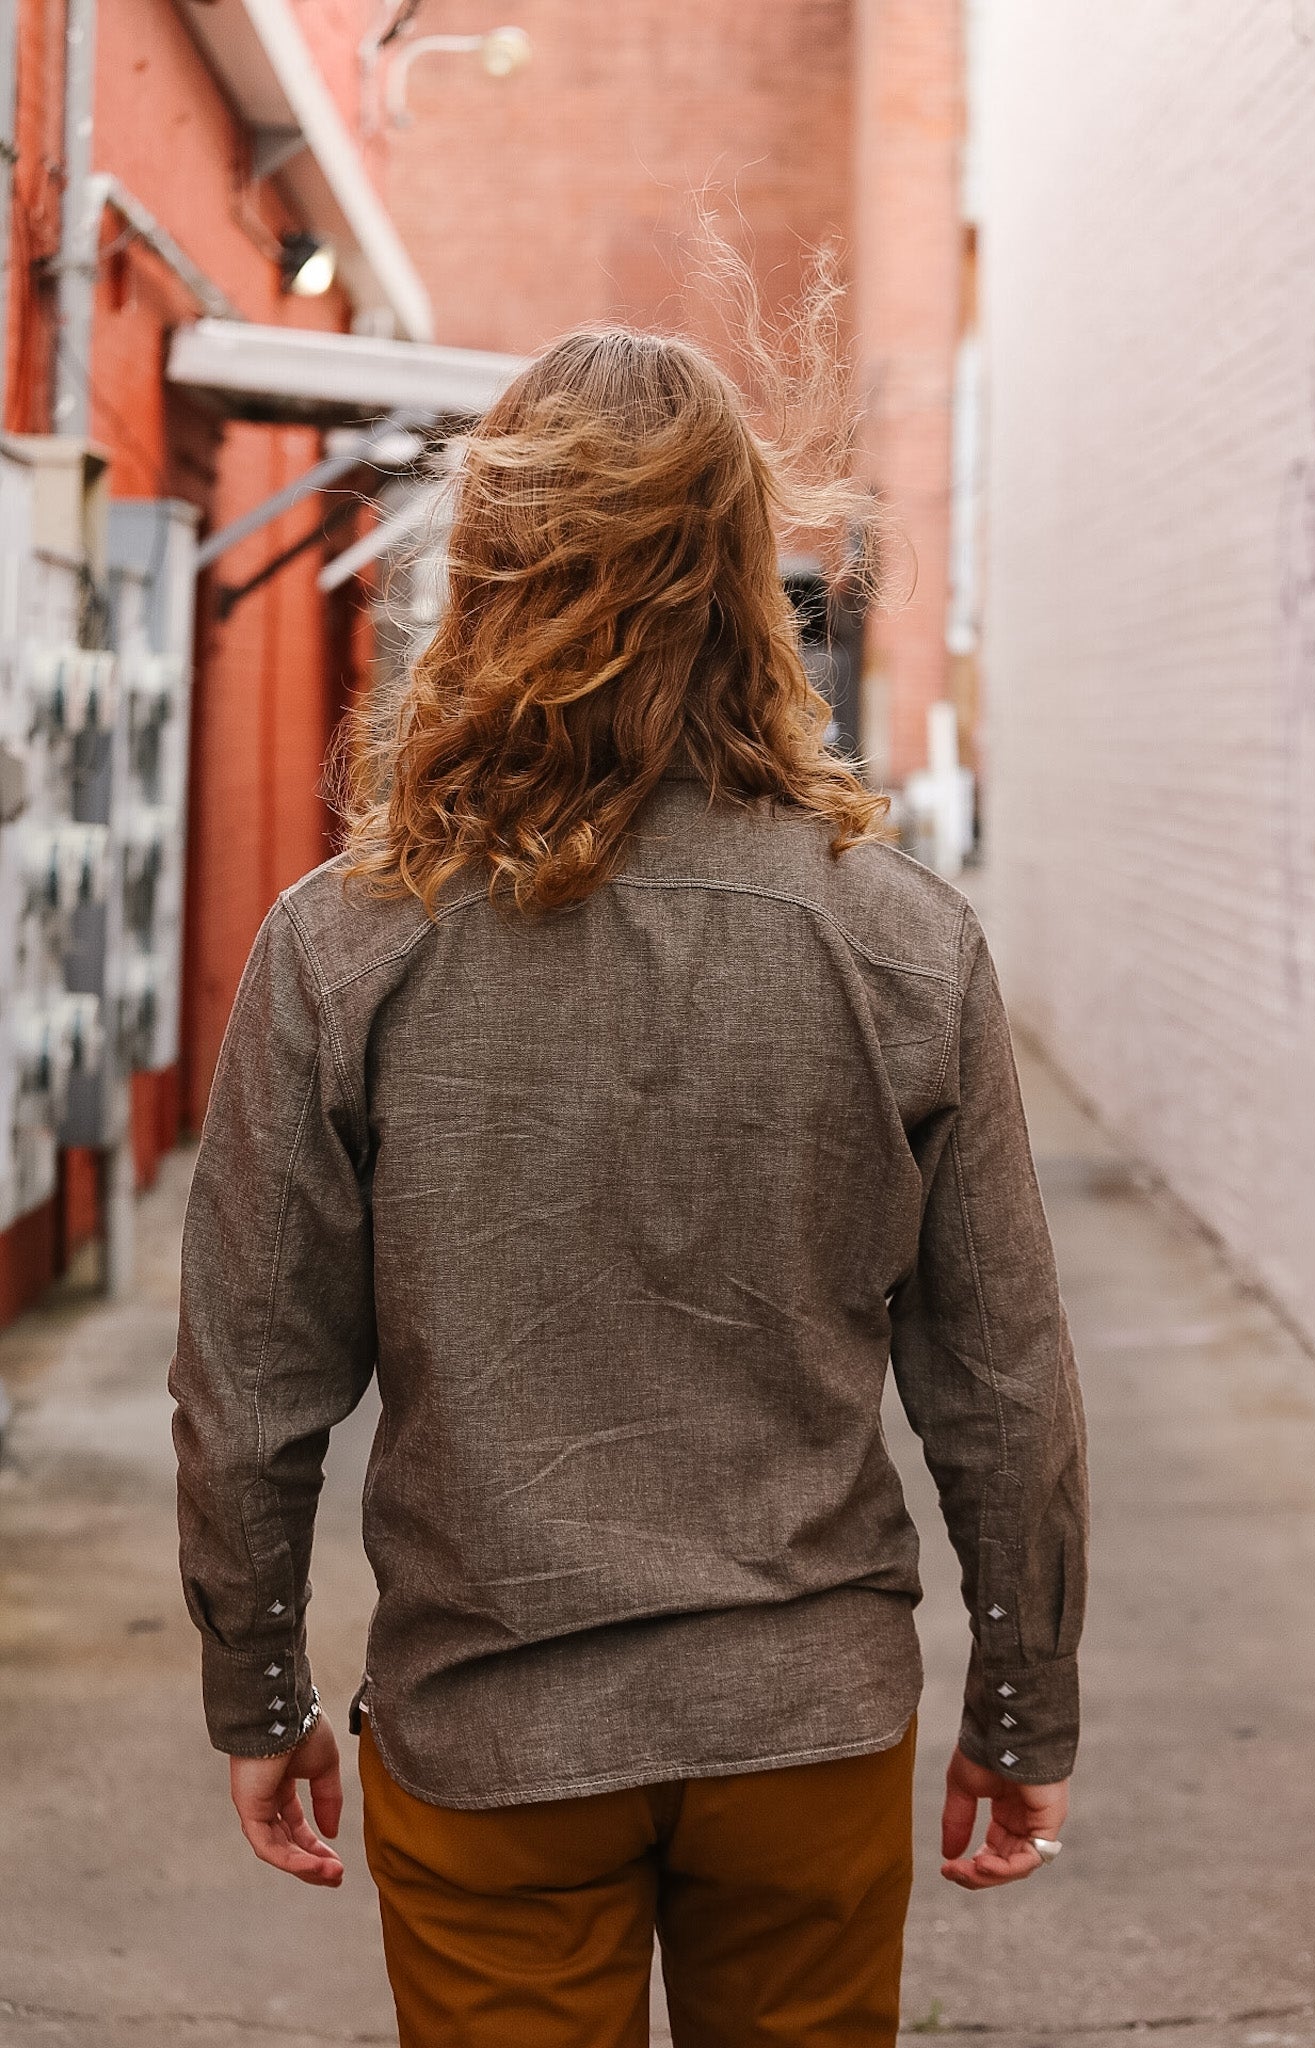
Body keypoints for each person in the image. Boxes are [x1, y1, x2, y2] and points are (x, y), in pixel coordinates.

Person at [172, 318, 1088, 2048]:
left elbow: (248, 1383)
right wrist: (1024, 1709)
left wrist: (261, 1683)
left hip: (493, 1735)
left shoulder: (344, 948)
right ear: (752, 580)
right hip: (805, 1726)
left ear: (492, 571)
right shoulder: (898, 942)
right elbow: (1003, 1383)